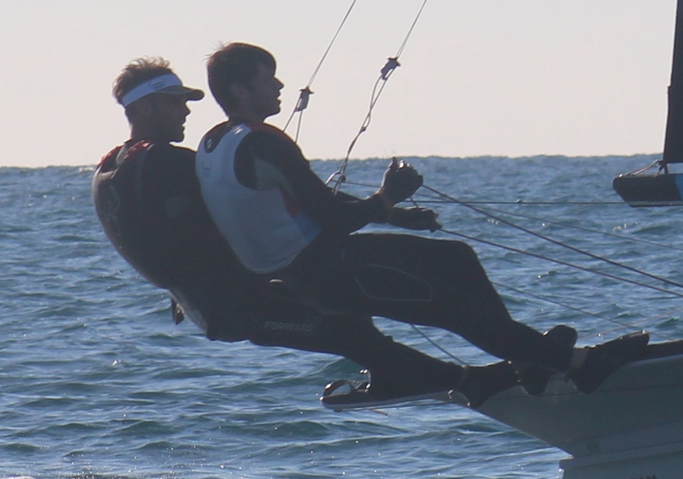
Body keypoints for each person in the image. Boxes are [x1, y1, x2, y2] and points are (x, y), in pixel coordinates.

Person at [194, 41, 650, 393]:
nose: (279, 86)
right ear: (240, 90)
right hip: (328, 270)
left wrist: (392, 215)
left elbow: (302, 205)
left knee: (456, 258)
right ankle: (579, 365)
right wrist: (387, 196)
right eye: (268, 78)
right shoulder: (264, 142)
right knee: (457, 311)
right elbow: (331, 217)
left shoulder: (214, 144)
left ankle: (528, 358)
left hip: (313, 266)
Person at [91, 59, 485, 406]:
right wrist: (384, 206)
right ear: (143, 107)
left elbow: (297, 198)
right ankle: (473, 383)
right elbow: (306, 202)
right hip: (237, 307)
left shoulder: (112, 168)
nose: (186, 110)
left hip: (215, 304)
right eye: (175, 102)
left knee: (349, 313)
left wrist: (389, 215)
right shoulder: (165, 163)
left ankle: (408, 379)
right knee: (348, 330)